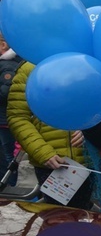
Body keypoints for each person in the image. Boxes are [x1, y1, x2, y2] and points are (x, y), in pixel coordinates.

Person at [7, 62, 93, 209]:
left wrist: (91, 130)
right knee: (57, 218)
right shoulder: (30, 67)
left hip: (92, 161)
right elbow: (18, 117)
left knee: (92, 217)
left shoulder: (88, 63)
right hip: (53, 164)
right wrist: (43, 153)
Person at [0, 33, 22, 185]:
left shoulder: (7, 65)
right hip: (5, 119)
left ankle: (11, 186)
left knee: (10, 156)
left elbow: (6, 92)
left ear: (3, 45)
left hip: (7, 119)